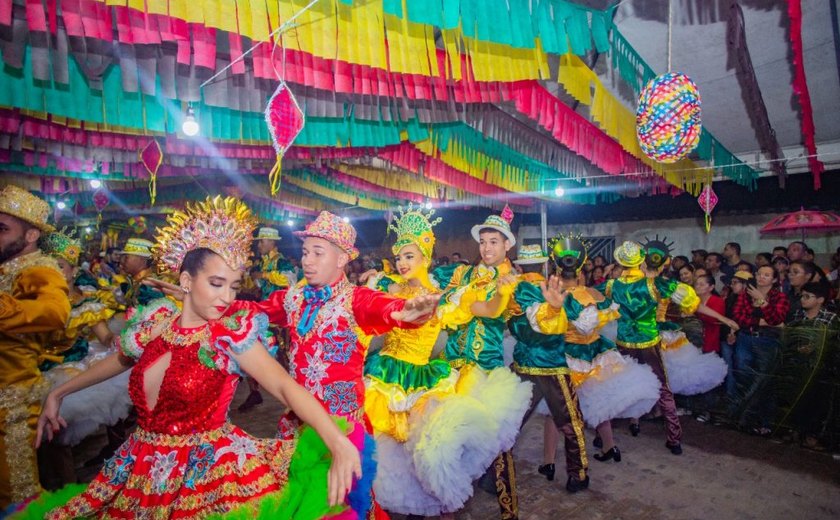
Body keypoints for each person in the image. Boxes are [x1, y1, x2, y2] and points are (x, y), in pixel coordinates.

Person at [24, 197, 365, 519]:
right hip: (138, 471)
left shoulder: (228, 336)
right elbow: (118, 360)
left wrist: (338, 442)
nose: (226, 297)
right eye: (216, 283)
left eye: (233, 286)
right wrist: (59, 393)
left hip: (207, 477)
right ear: (186, 280)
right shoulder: (156, 326)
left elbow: (286, 387)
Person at [362, 206, 518, 518]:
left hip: (425, 380)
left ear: (425, 258)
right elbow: (364, 309)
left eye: (409, 256)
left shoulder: (441, 299)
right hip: (382, 376)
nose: (402, 263)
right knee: (377, 448)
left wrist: (502, 295)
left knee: (420, 448)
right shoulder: (388, 287)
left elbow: (486, 310)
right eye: (399, 257)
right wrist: (370, 282)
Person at [437, 206, 533, 519]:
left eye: (494, 242)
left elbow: (494, 310)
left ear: (507, 245)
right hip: (452, 366)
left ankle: (509, 510)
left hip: (485, 370)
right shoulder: (462, 274)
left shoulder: (512, 282)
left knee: (496, 442)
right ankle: (451, 503)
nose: (487, 248)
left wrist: (502, 296)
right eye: (483, 242)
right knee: (450, 437)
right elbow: (436, 291)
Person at [596, 241, 735, 455]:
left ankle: (604, 438)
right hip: (650, 343)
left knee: (616, 386)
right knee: (663, 389)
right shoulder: (656, 284)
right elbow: (690, 300)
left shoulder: (612, 285)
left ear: (621, 262)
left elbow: (589, 297)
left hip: (623, 342)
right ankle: (674, 439)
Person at [540, 237, 659, 468]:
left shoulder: (553, 296)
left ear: (557, 269)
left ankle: (549, 462)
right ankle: (609, 446)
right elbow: (602, 318)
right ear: (580, 270)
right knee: (598, 402)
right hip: (596, 352)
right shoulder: (593, 293)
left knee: (554, 410)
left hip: (566, 355)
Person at [0, 185, 71, 509]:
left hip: (11, 404)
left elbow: (55, 312)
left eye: (3, 229)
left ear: (30, 236)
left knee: (17, 495)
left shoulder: (39, 269)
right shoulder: (8, 266)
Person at [239, 227, 297, 412]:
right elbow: (253, 288)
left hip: (280, 316)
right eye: (259, 242)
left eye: (262, 241)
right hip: (262, 315)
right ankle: (254, 392)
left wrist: (264, 275)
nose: (259, 245)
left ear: (272, 242)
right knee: (247, 349)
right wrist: (245, 276)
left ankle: (296, 398)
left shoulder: (282, 262)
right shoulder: (259, 264)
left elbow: (290, 280)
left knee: (284, 357)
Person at [730, 265, 790, 435]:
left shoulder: (780, 297)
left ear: (774, 279)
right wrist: (760, 321)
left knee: (764, 380)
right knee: (744, 375)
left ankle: (763, 421)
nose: (761, 277)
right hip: (746, 337)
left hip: (767, 341)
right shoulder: (745, 294)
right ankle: (743, 418)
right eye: (759, 274)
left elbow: (776, 319)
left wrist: (762, 301)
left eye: (767, 275)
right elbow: (738, 316)